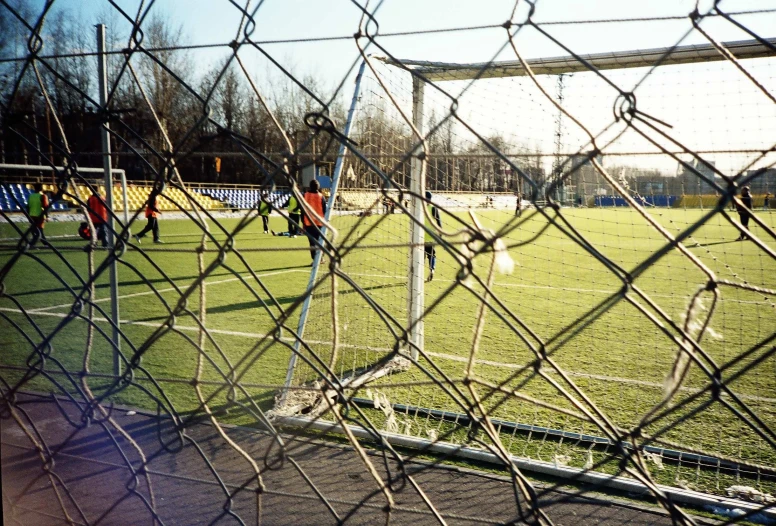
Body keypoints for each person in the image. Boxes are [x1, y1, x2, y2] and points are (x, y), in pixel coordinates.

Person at [302, 179, 327, 261]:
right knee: (320, 241)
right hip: (319, 223)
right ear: (318, 187)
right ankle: (321, 258)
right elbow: (324, 210)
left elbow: (302, 210)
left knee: (312, 243)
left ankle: (315, 260)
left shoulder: (305, 195)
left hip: (308, 223)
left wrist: (303, 222)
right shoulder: (321, 196)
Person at [425, 191, 442, 282]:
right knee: (431, 255)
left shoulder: (419, 208)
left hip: (419, 235)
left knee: (420, 256)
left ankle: (417, 273)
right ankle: (432, 269)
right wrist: (440, 234)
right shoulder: (433, 208)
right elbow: (439, 222)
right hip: (430, 235)